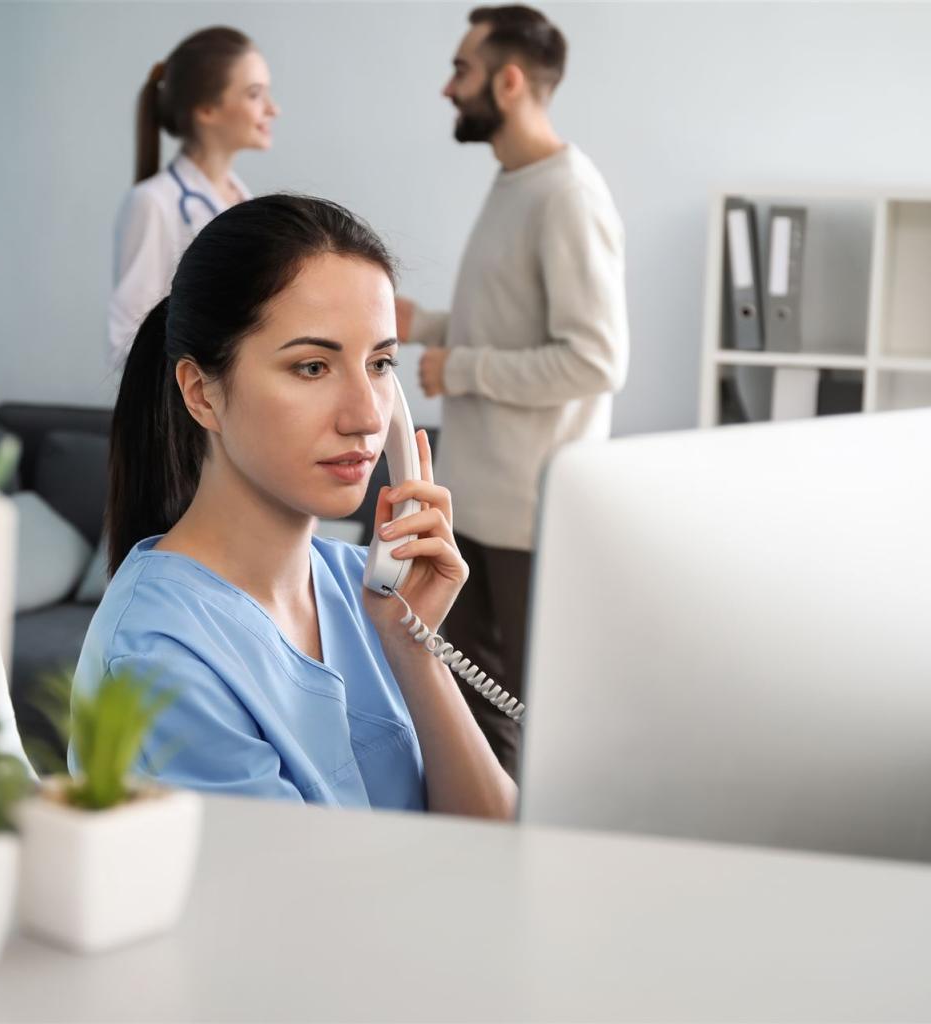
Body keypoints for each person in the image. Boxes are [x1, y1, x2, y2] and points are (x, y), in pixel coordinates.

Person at [71, 194, 517, 820]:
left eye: (381, 363)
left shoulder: (363, 590)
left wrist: (414, 647)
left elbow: (497, 841)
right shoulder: (159, 660)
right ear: (202, 393)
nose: (367, 415)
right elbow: (301, 910)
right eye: (313, 366)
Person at [395, 5, 630, 779]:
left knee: (525, 727)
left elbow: (596, 360)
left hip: (530, 522)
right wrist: (426, 324)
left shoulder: (568, 194)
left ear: (509, 80)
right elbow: (511, 319)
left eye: (460, 70)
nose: (445, 88)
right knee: (470, 716)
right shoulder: (517, 183)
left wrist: (457, 367)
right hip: (484, 510)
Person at [107, 26, 279, 368]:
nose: (273, 109)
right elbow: (127, 345)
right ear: (207, 110)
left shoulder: (246, 204)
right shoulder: (153, 203)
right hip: (188, 410)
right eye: (255, 94)